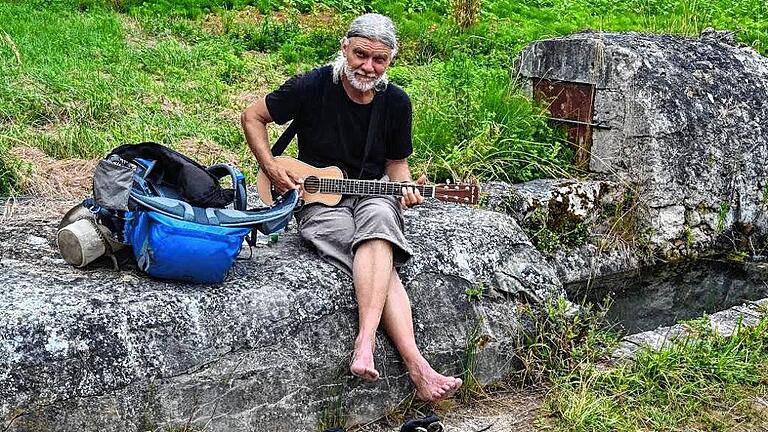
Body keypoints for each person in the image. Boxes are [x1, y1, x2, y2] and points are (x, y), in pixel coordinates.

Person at [241, 13, 462, 401]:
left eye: (379, 60)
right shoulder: (313, 85)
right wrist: (271, 165)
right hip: (317, 200)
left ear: (391, 60)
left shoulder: (395, 103)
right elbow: (252, 116)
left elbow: (396, 165)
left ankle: (365, 341)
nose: (368, 67)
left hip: (372, 191)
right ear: (345, 47)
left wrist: (405, 189)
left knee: (378, 221)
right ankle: (416, 363)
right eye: (361, 54)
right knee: (377, 257)